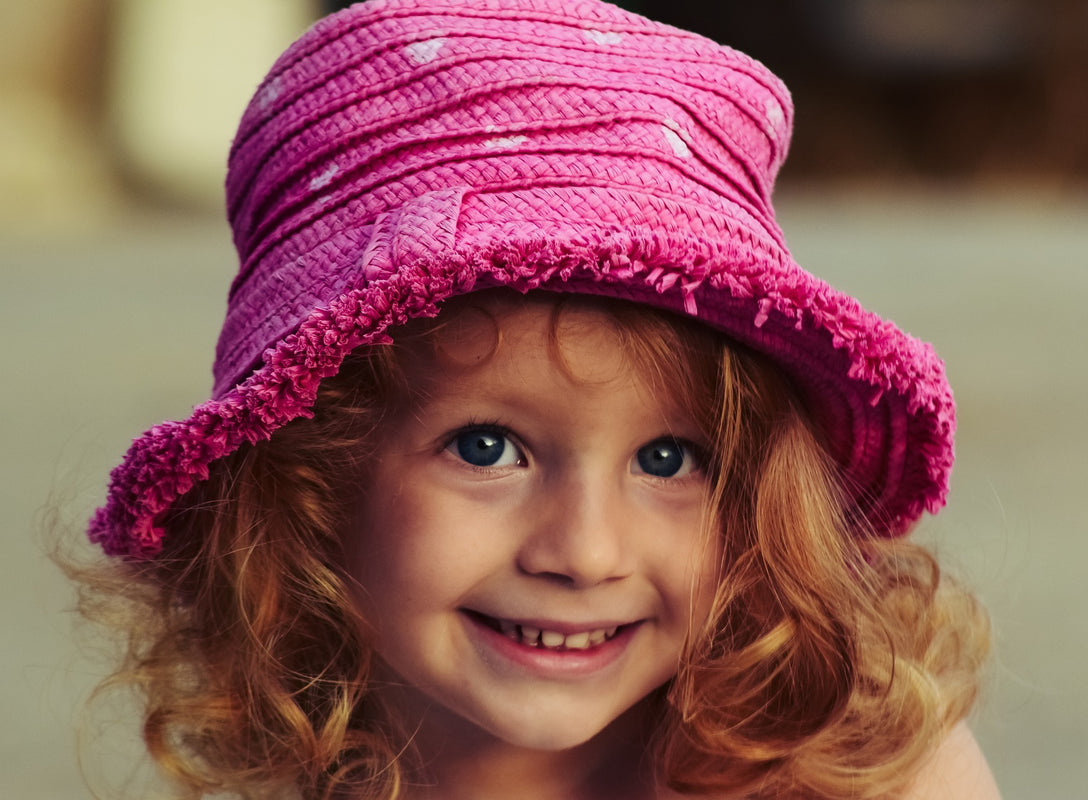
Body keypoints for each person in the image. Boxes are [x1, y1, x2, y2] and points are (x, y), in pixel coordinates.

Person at [77, 0, 1001, 797]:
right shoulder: (340, 759)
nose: (585, 552)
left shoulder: (859, 770)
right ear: (309, 486)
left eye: (669, 459)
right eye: (487, 448)